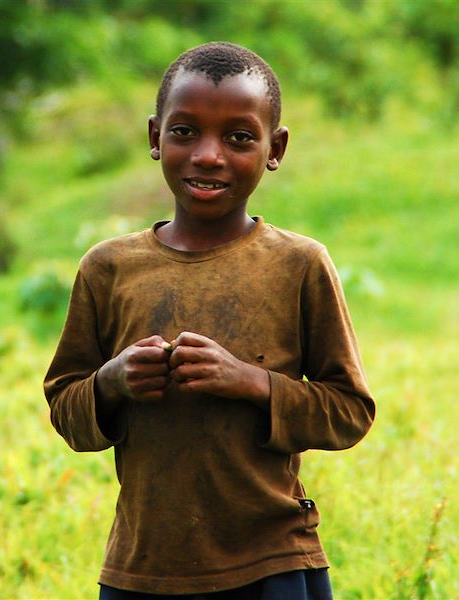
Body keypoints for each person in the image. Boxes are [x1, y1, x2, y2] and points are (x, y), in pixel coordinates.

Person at [43, 41, 375, 599]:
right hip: (143, 566)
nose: (209, 155)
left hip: (271, 563)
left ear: (276, 148)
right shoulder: (107, 268)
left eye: (239, 137)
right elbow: (66, 409)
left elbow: (349, 411)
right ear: (155, 137)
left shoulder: (298, 265)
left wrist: (251, 383)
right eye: (185, 132)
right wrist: (112, 381)